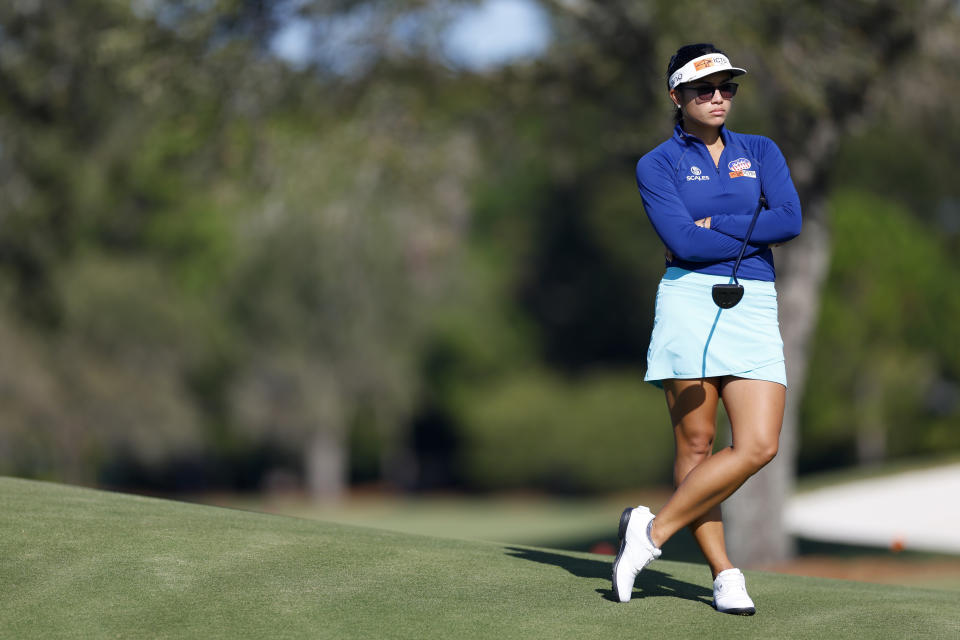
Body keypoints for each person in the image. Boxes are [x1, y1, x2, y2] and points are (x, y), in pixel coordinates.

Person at [612, 43, 802, 615]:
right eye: (703, 89)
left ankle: (648, 533)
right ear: (678, 97)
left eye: (727, 87)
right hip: (689, 302)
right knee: (696, 445)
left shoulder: (760, 150)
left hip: (753, 302)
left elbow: (790, 219)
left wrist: (715, 221)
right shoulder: (658, 164)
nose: (718, 97)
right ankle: (725, 575)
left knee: (760, 444)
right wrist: (748, 227)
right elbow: (684, 242)